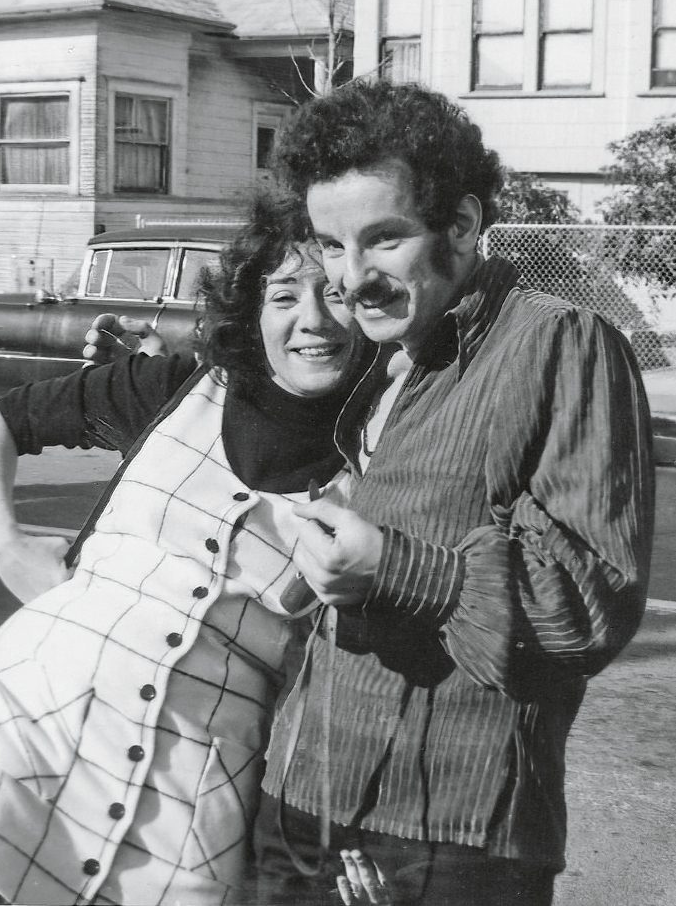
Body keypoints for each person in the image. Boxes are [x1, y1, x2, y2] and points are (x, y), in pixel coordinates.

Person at [249, 81, 655, 905]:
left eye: (382, 239)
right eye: (330, 244)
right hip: (300, 803)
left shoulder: (558, 343)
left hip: (443, 841)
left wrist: (392, 565)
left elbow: (583, 607)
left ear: (462, 225)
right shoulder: (388, 356)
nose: (349, 277)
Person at [0, 191, 372, 906]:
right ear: (251, 312)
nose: (312, 318)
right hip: (21, 735)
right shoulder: (173, 388)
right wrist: (6, 545)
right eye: (284, 293)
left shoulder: (384, 457)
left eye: (338, 294)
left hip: (186, 815)